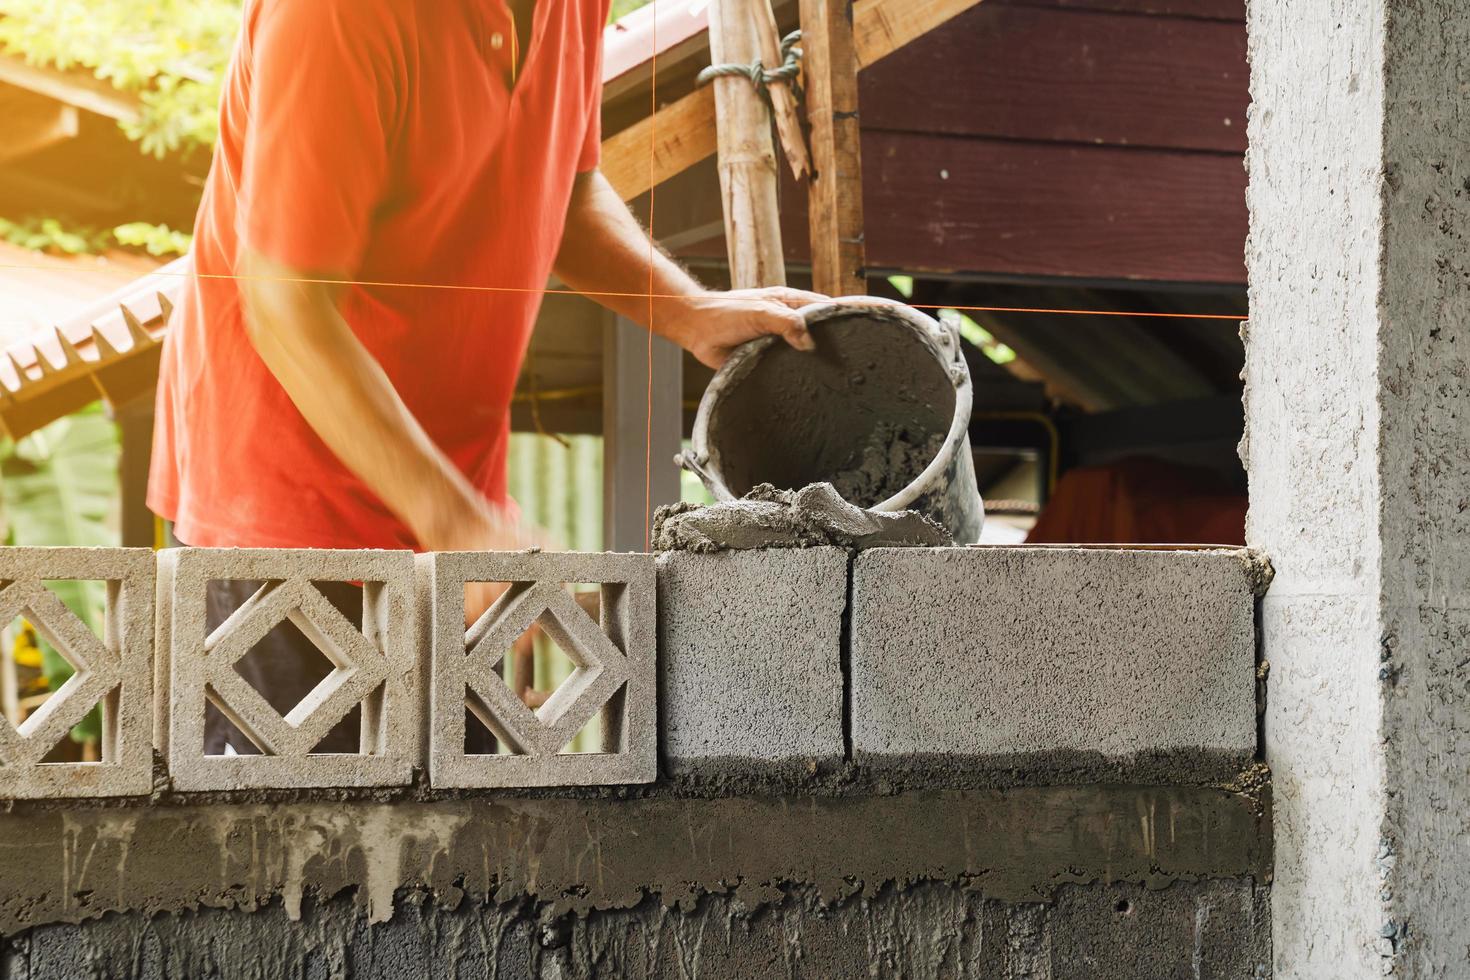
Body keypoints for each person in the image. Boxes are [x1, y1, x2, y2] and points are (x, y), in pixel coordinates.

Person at [148, 0, 821, 753]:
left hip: (452, 515)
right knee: (300, 851)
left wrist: (689, 313)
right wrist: (458, 522)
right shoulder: (335, 14)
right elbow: (285, 308)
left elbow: (564, 181)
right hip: (284, 519)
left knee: (457, 846)